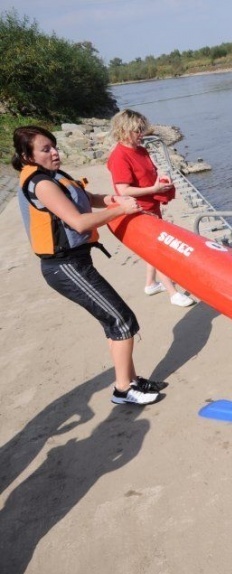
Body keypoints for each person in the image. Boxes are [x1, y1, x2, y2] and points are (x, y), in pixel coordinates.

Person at [12, 125, 165, 405]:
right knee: (121, 319)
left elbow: (87, 198)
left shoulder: (55, 176)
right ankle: (123, 390)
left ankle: (131, 380)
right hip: (64, 267)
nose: (54, 152)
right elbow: (79, 222)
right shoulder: (42, 184)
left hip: (77, 262)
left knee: (113, 320)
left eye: (54, 146)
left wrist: (112, 199)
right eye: (45, 149)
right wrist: (121, 210)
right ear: (27, 156)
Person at [107, 109, 195, 307]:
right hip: (138, 211)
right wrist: (154, 189)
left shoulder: (140, 150)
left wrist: (161, 181)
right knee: (158, 251)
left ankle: (150, 284)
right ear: (124, 130)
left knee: (151, 249)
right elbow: (123, 190)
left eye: (142, 129)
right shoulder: (119, 156)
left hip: (152, 206)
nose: (142, 134)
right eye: (137, 130)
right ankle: (173, 294)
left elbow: (148, 174)